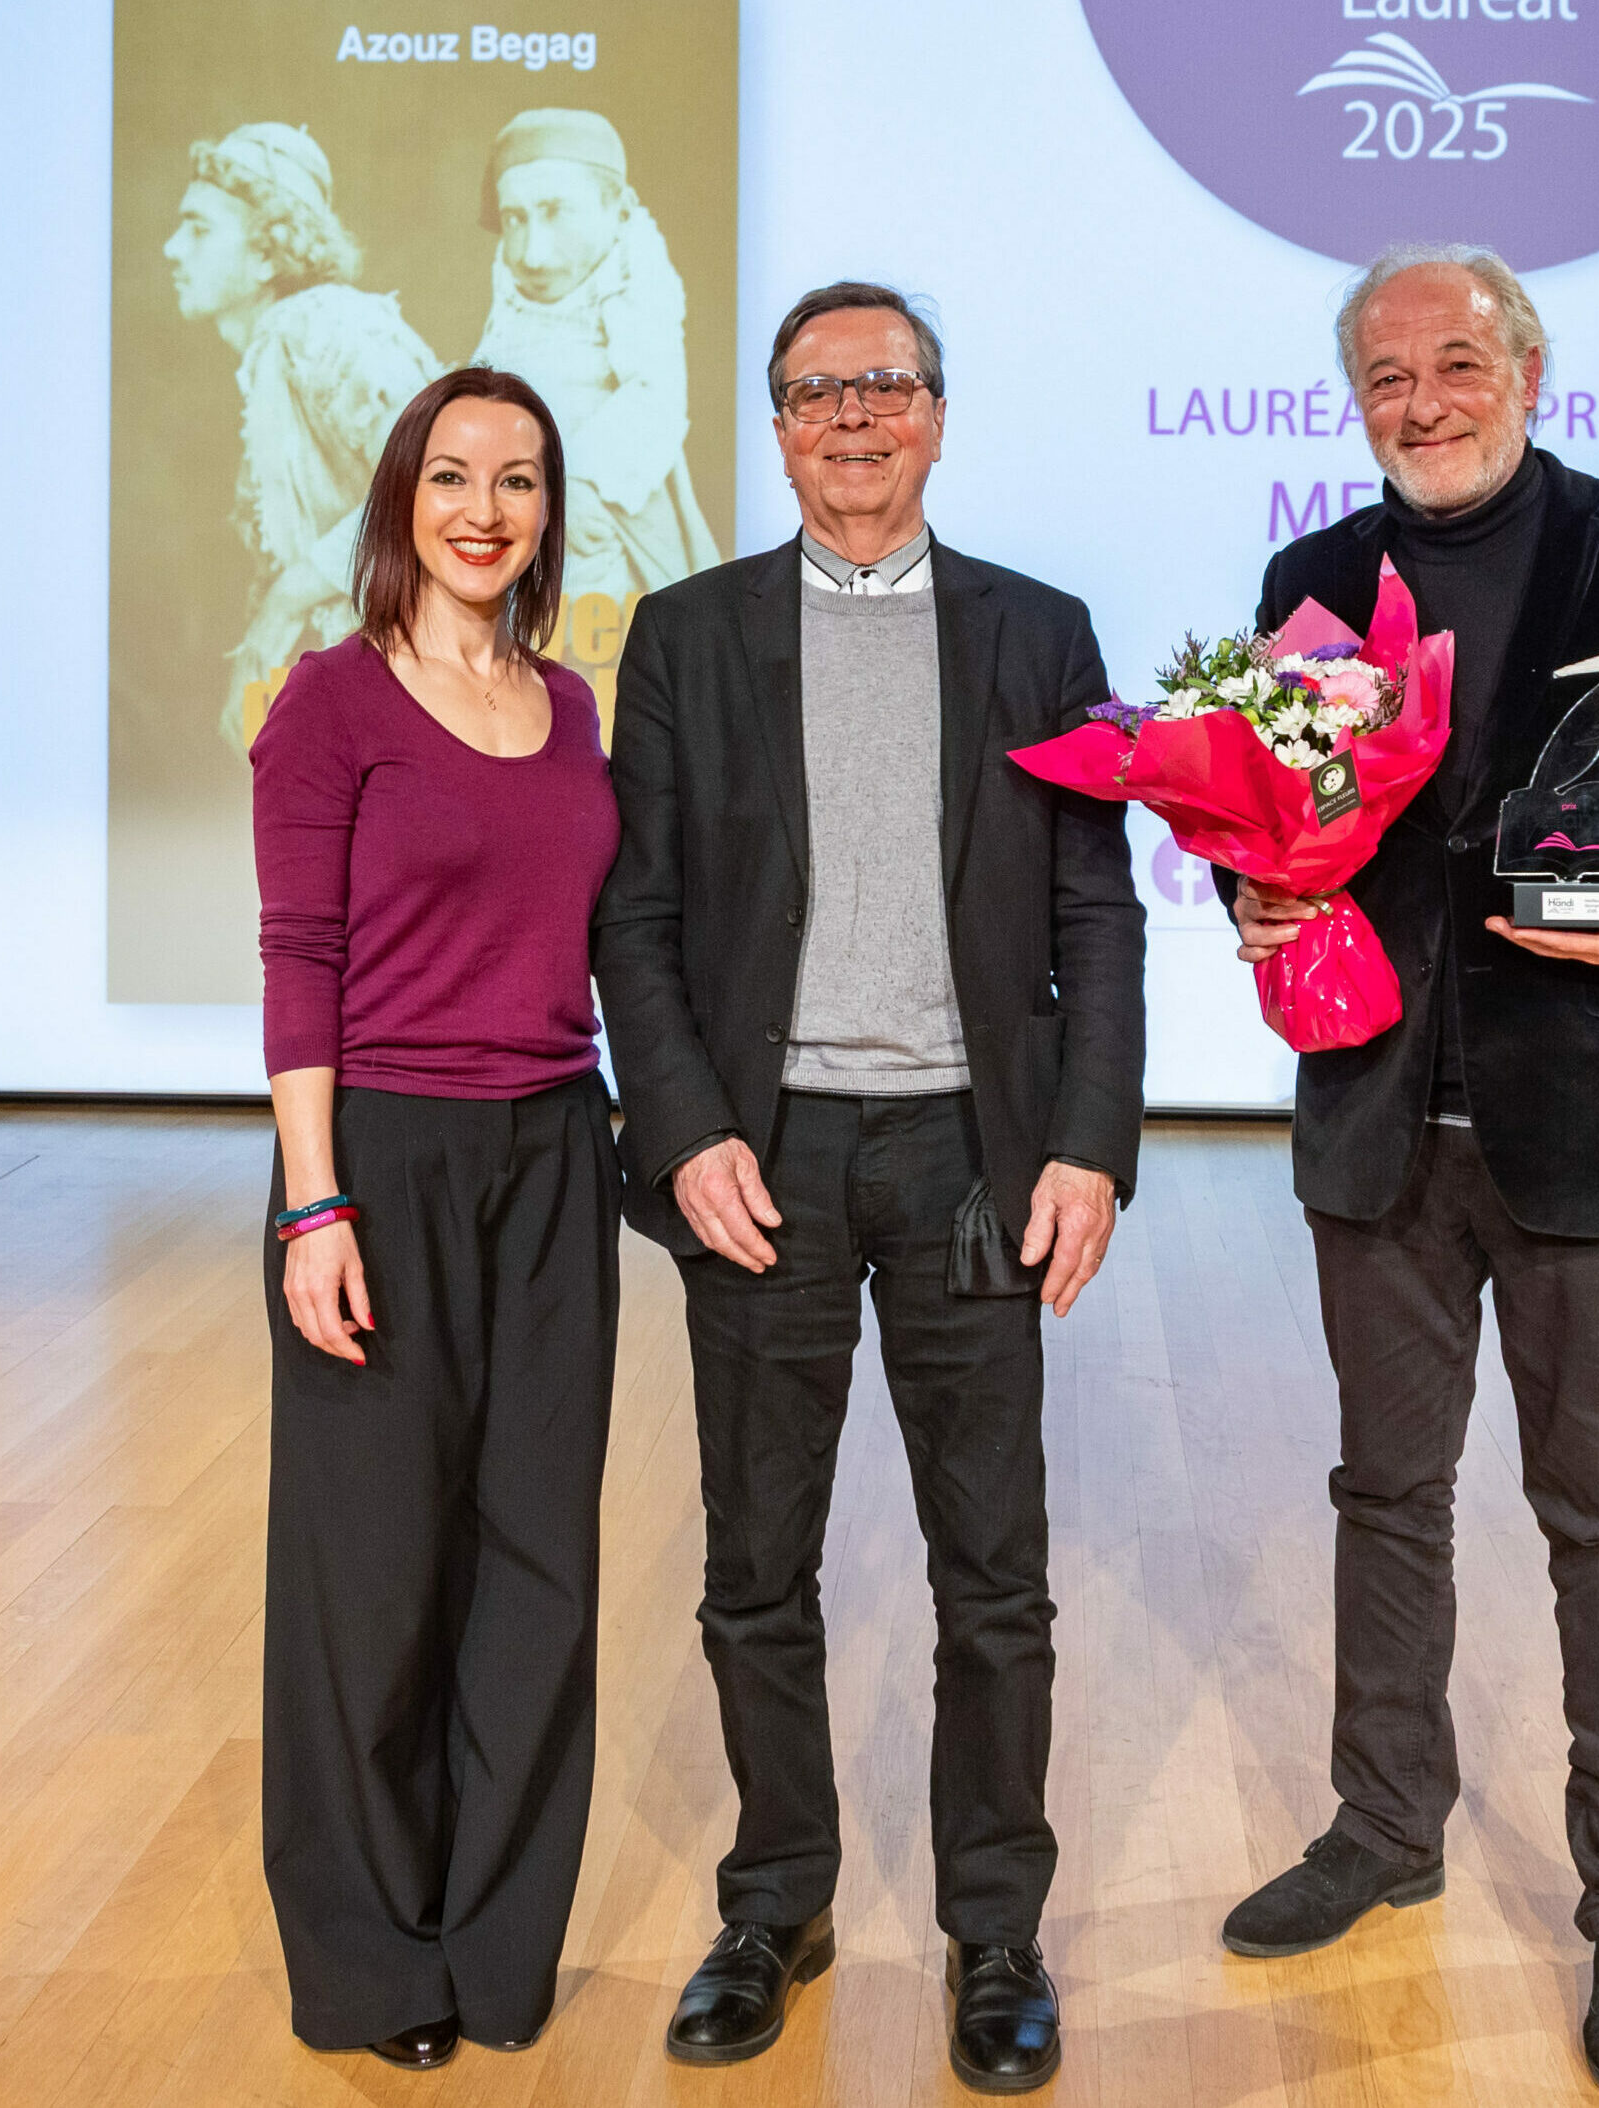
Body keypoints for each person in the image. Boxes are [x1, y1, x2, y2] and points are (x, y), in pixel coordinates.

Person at [1222, 244, 1599, 2100]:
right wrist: (1257, 888)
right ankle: (1386, 1821)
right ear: (1355, 401)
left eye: (1457, 360)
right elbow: (1283, 820)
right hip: (1378, 1127)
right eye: (1386, 375)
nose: (1424, 397)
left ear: (1531, 366)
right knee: (1384, 1494)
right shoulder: (1314, 583)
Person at [593, 283, 1146, 2094]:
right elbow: (641, 919)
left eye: (885, 385)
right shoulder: (682, 636)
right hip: (768, 1159)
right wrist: (683, 1129)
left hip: (977, 1150)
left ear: (937, 416)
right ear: (775, 426)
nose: (852, 415)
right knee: (756, 1562)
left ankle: (997, 1930)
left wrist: (1089, 1143)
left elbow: (1093, 914)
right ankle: (777, 1899)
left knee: (997, 1573)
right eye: (817, 389)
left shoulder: (1039, 631)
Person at [250, 366, 619, 2071]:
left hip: (554, 1150)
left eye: (521, 480)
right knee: (373, 1579)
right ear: (403, 494)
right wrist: (313, 1198)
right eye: (455, 474)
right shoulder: (327, 703)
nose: (486, 508)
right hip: (379, 1158)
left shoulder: (572, 709)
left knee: (541, 1564)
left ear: (549, 511)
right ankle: (371, 1958)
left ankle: (494, 1939)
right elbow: (300, 965)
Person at [166, 122, 441, 746]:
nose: (172, 248)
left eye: (199, 228)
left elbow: (440, 483)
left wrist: (282, 607)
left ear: (268, 251)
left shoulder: (328, 326)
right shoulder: (277, 347)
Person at [470, 109, 719, 610]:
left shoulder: (636, 293)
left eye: (557, 211)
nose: (532, 255)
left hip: (603, 543)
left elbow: (655, 397)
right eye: (514, 219)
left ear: (617, 210)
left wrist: (571, 494)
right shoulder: (512, 312)